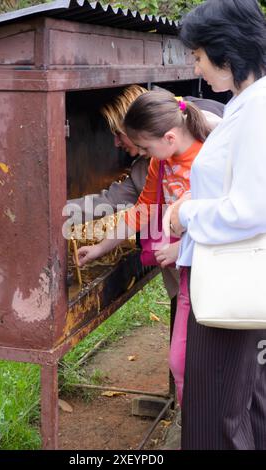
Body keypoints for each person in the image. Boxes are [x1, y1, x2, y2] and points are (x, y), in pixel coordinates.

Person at [168, 0, 266, 450]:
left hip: (230, 282)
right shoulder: (246, 103)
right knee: (248, 402)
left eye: (199, 56)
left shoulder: (257, 112)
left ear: (226, 55)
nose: (197, 67)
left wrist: (185, 213)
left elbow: (250, 209)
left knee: (215, 414)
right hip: (237, 278)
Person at [76, 90, 211, 404]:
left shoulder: (209, 157)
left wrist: (183, 248)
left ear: (167, 137)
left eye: (147, 147)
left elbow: (222, 213)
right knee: (183, 357)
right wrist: (101, 247)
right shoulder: (159, 164)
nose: (143, 153)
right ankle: (190, 419)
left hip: (213, 270)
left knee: (204, 354)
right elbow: (142, 211)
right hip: (186, 276)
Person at [67, 85, 224, 300]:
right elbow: (135, 208)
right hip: (181, 265)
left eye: (118, 133)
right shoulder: (153, 165)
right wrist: (98, 245)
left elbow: (227, 212)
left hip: (216, 265)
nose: (115, 142)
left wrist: (185, 248)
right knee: (183, 311)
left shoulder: (213, 147)